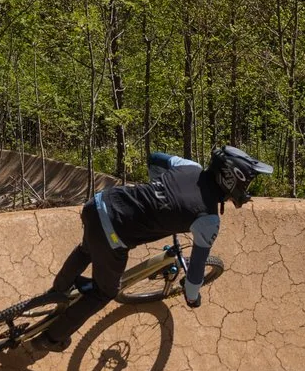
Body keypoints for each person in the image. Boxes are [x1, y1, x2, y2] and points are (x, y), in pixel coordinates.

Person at [30, 144, 271, 351]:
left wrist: (160, 195)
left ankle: (58, 290)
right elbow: (196, 272)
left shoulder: (191, 166)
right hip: (113, 232)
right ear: (231, 179)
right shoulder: (208, 219)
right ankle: (51, 338)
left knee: (87, 249)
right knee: (105, 293)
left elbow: (155, 158)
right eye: (246, 183)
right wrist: (192, 296)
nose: (247, 189)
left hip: (100, 202)